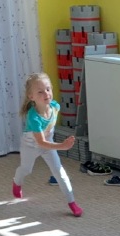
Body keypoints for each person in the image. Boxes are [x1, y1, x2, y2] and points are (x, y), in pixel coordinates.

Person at [12, 72, 81, 217]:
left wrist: (58, 146)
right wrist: (62, 146)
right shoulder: (33, 117)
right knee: (26, 169)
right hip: (30, 147)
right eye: (40, 92)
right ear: (31, 97)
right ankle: (17, 182)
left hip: (48, 146)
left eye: (48, 89)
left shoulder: (55, 107)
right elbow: (41, 142)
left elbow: (46, 142)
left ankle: (72, 202)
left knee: (60, 173)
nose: (46, 94)